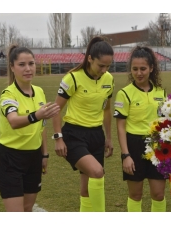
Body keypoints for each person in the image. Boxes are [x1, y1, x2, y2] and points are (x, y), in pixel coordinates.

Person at [0, 45, 60, 212]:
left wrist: (44, 154)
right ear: (12, 67)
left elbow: (42, 126)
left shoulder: (39, 92)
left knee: (27, 209)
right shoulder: (8, 94)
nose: (28, 68)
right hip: (10, 158)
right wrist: (36, 115)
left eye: (31, 63)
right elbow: (14, 121)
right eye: (22, 64)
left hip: (33, 157)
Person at [52, 36, 114, 212]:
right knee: (97, 172)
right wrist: (58, 138)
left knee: (87, 188)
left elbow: (107, 110)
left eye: (108, 66)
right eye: (101, 65)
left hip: (96, 135)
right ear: (89, 59)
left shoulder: (108, 79)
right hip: (74, 135)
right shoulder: (72, 78)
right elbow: (56, 109)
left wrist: (108, 138)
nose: (104, 70)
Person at [113, 46, 167, 212]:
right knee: (135, 195)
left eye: (143, 69)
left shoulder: (160, 92)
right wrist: (125, 155)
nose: (139, 73)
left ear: (151, 68)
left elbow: (165, 122)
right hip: (134, 146)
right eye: (135, 69)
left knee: (158, 194)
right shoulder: (124, 94)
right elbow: (121, 127)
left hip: (157, 146)